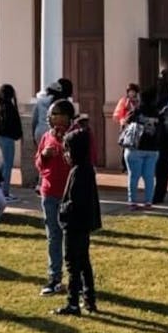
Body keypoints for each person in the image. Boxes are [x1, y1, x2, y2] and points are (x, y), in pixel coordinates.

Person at [53, 127, 101, 316]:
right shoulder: (85, 169)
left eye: (67, 151)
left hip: (75, 225)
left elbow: (75, 202)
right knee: (83, 262)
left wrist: (62, 210)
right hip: (82, 224)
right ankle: (89, 300)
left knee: (73, 263)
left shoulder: (79, 172)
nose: (65, 155)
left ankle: (73, 302)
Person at [35, 98, 74, 296]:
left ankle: (75, 279)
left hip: (70, 194)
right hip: (49, 193)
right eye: (52, 117)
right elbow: (39, 165)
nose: (55, 121)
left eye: (59, 117)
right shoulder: (45, 137)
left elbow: (86, 162)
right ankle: (54, 278)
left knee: (71, 237)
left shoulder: (75, 136)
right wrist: (45, 155)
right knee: (53, 236)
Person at [124, 89, 162, 209]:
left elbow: (127, 120)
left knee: (133, 176)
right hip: (152, 148)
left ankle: (133, 202)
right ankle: (148, 201)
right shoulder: (157, 113)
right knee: (149, 177)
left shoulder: (137, 111)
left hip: (136, 147)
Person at [0, 84, 22, 201]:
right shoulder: (8, 107)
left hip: (0, 137)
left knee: (4, 163)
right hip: (7, 138)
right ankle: (4, 192)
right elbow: (13, 124)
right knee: (8, 164)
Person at [113, 83, 140, 173]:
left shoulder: (139, 101)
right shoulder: (124, 101)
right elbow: (117, 114)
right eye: (130, 92)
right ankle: (124, 165)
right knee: (126, 146)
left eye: (133, 92)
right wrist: (123, 121)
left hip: (137, 127)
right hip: (126, 126)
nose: (131, 94)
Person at [31, 81, 63, 147]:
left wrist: (33, 134)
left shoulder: (40, 101)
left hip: (40, 131)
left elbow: (34, 120)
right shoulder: (60, 103)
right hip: (53, 132)